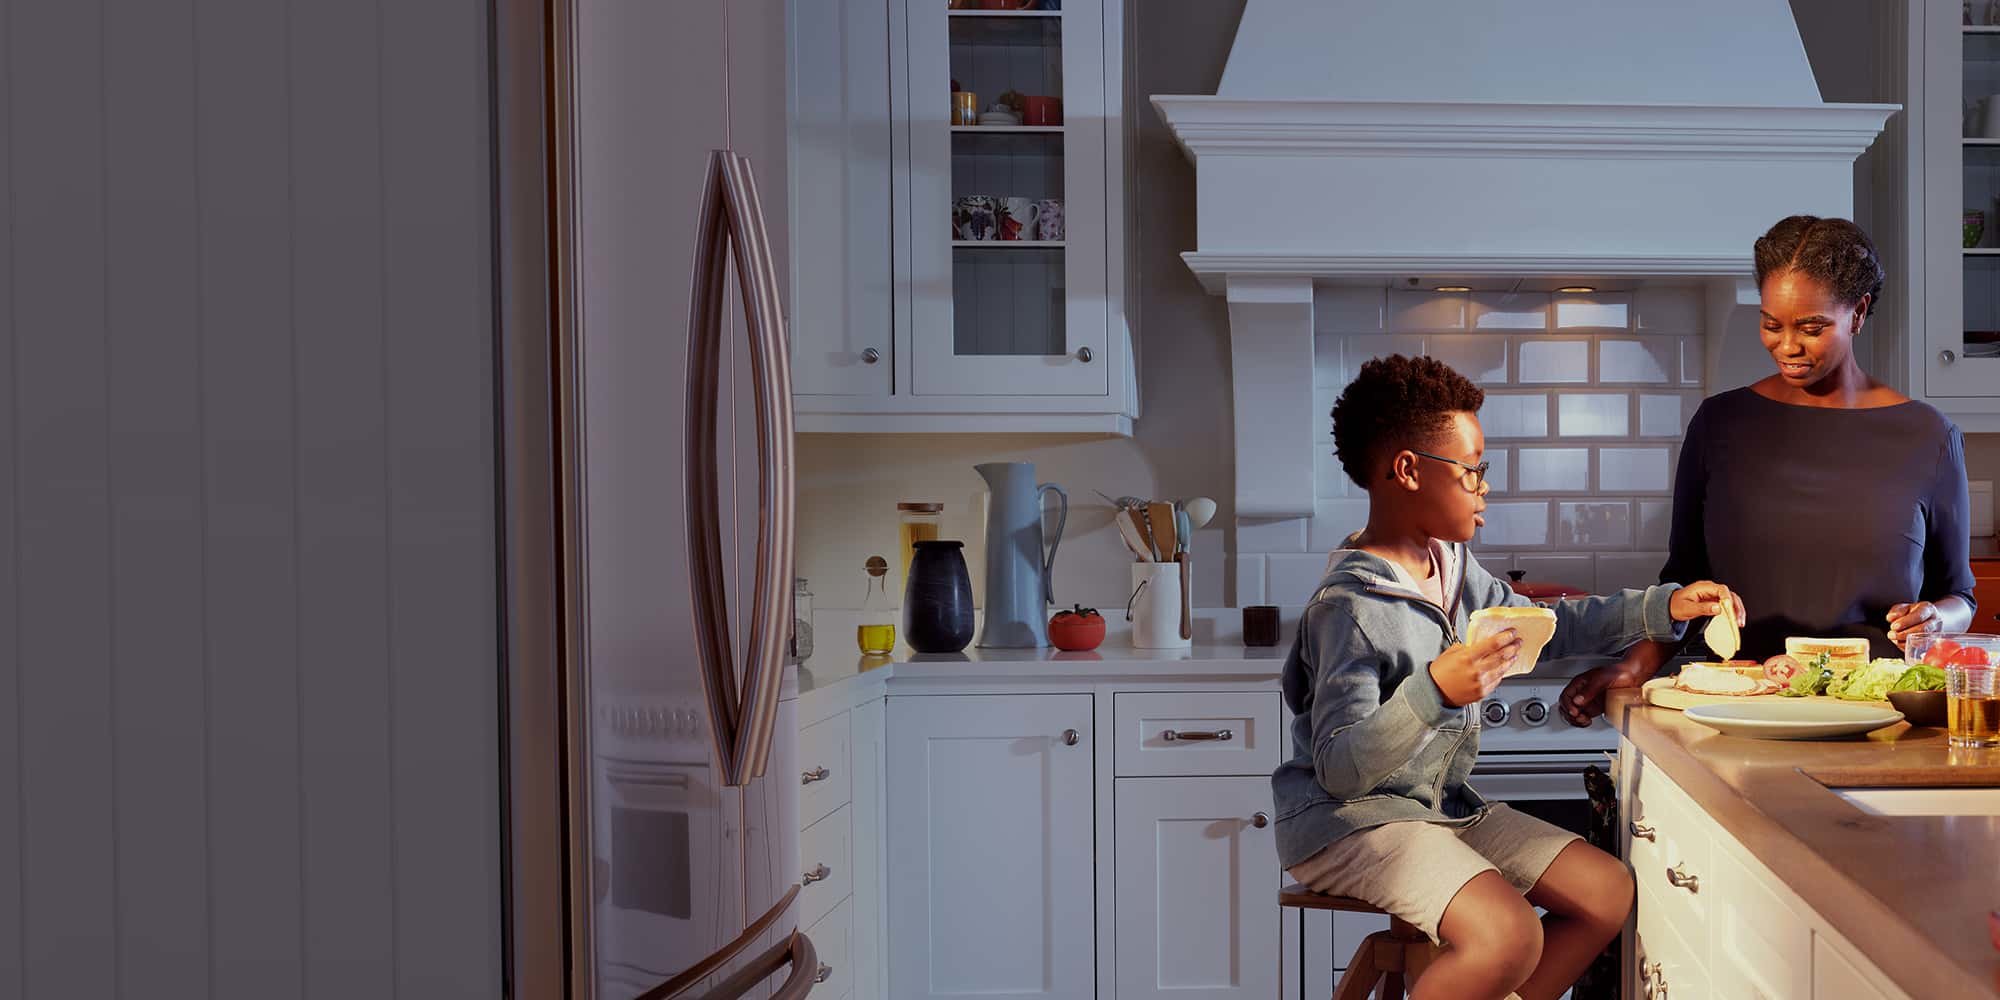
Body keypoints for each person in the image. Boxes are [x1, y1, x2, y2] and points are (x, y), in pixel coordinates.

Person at [1272, 355, 1744, 1000]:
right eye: (1472, 470)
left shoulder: (1453, 567)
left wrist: (1663, 606)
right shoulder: (1348, 609)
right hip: (1348, 824)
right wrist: (1434, 691)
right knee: (1509, 935)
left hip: (1437, 812)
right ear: (1408, 471)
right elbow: (1339, 770)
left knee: (1607, 892)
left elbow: (1551, 626)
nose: (1483, 486)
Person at [1560, 216, 1980, 726]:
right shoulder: (1720, 424)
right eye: (1771, 324)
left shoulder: (1929, 435)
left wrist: (1936, 619)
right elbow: (1686, 583)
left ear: (1859, 313)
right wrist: (1632, 668)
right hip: (1740, 710)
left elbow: (1960, 596)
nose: (1787, 346)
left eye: (1811, 327)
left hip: (1878, 718)